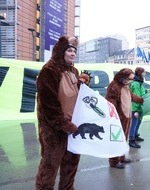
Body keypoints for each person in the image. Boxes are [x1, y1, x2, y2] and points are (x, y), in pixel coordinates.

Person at [35, 36, 90, 189]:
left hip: (74, 124)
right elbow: (48, 104)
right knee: (50, 164)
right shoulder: (49, 70)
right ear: (61, 52)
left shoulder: (73, 70)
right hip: (54, 128)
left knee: (71, 163)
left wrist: (83, 81)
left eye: (74, 51)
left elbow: (76, 95)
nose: (73, 54)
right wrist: (62, 124)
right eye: (69, 50)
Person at [105, 68, 143, 169]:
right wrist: (113, 114)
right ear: (122, 77)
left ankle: (121, 157)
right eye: (127, 79)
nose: (129, 82)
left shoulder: (125, 86)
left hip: (127, 117)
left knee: (123, 139)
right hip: (118, 118)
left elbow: (131, 96)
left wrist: (141, 100)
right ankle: (113, 161)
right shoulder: (114, 86)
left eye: (130, 80)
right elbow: (110, 100)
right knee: (116, 140)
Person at [129, 67, 148, 148]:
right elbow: (136, 97)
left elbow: (143, 91)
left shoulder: (140, 83)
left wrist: (147, 91)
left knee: (138, 122)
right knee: (134, 123)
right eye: (144, 72)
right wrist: (136, 109)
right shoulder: (136, 84)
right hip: (136, 107)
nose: (145, 73)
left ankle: (135, 135)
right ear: (140, 73)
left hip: (140, 107)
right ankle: (131, 140)